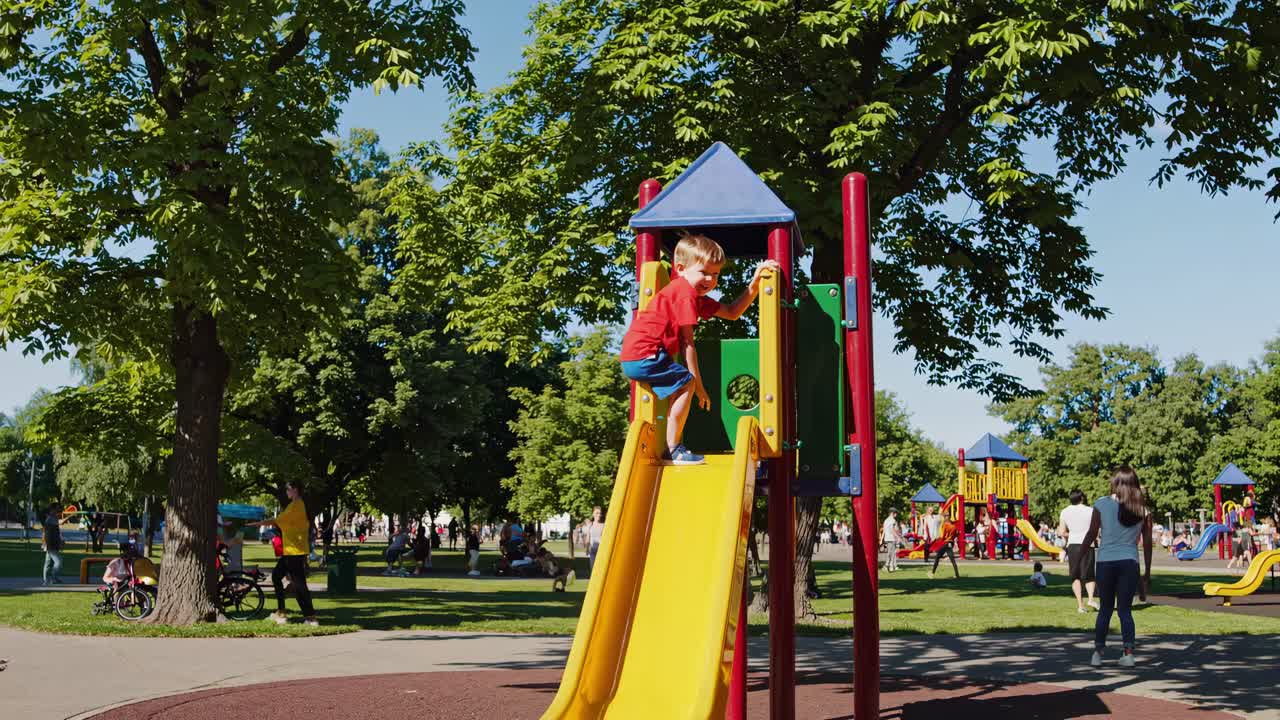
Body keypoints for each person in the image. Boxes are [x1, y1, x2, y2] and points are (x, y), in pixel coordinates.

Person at [618, 232, 780, 465]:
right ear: (681, 268)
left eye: (715, 274)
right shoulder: (683, 293)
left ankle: (671, 445)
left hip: (636, 355)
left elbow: (732, 312)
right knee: (685, 383)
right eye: (703, 272)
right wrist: (698, 386)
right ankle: (674, 449)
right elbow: (687, 343)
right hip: (646, 353)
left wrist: (754, 284)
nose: (710, 280)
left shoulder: (695, 297)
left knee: (681, 385)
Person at [1080, 466, 1152, 668]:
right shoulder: (1142, 510)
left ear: (1115, 482)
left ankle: (1097, 653)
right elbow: (1147, 544)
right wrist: (1147, 571)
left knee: (1105, 609)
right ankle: (1128, 653)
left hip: (1105, 562)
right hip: (1129, 562)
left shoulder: (1102, 504)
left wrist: (1078, 557)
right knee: (1125, 611)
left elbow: (1092, 533)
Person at [247, 482, 318, 626]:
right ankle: (282, 612)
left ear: (295, 490)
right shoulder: (297, 505)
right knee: (278, 577)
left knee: (299, 585)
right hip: (292, 551)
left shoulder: (296, 506)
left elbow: (277, 521)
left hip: (294, 552)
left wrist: (257, 524)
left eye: (288, 489)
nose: (286, 492)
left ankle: (310, 617)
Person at [1058, 488, 1098, 614]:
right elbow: (1096, 529)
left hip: (1073, 545)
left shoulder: (1064, 512)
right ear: (1082, 498)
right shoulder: (1090, 511)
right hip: (1087, 544)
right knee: (1089, 575)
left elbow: (1062, 532)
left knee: (1075, 576)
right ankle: (1091, 599)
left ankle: (1080, 605)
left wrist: (1073, 533)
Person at [40, 504, 63, 585]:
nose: (57, 511)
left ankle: (48, 580)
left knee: (48, 562)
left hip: (53, 544)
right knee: (58, 562)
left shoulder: (54, 518)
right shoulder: (50, 519)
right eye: (56, 509)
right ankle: (52, 578)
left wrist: (60, 541)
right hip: (50, 544)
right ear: (51, 510)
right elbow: (47, 533)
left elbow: (57, 532)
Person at [584, 506, 605, 577]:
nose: (599, 515)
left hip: (601, 551)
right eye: (597, 513)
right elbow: (588, 537)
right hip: (592, 551)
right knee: (593, 570)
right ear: (593, 514)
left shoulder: (604, 525)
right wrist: (587, 549)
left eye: (600, 513)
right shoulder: (590, 525)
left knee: (601, 570)